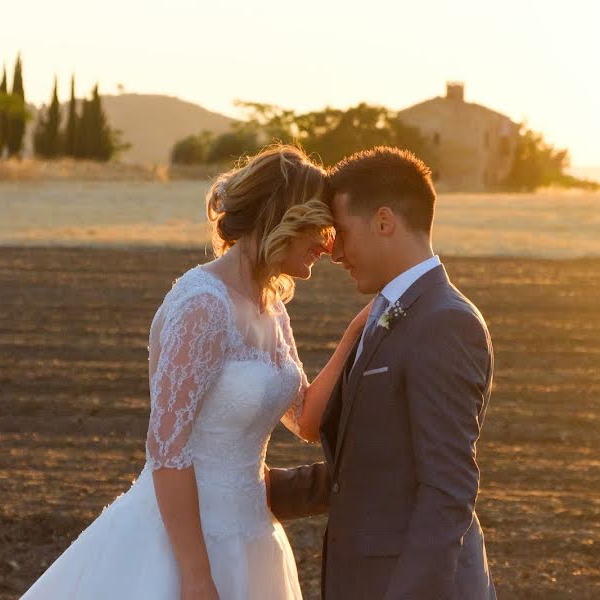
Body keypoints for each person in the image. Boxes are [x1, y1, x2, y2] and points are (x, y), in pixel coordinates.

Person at [20, 145, 370, 599]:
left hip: (254, 539)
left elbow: (303, 418)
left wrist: (358, 330)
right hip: (181, 547)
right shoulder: (203, 304)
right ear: (284, 218)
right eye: (320, 228)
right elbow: (167, 451)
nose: (327, 245)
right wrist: (195, 575)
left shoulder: (271, 308)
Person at [267, 146, 496, 599]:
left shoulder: (445, 322)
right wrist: (251, 489)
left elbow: (447, 490)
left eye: (343, 233)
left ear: (385, 222)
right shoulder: (385, 313)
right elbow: (374, 467)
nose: (335, 253)